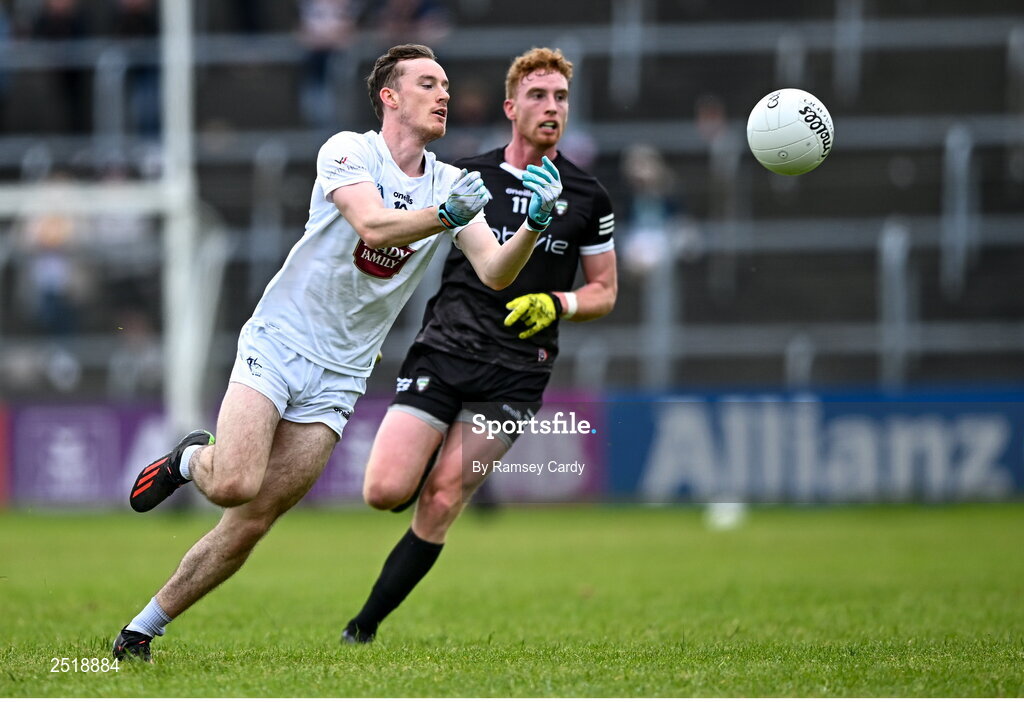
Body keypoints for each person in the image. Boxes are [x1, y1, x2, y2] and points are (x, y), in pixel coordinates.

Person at [111, 43, 563, 663]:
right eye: (428, 83)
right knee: (235, 481)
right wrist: (443, 216)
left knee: (255, 519)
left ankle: (141, 630)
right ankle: (191, 460)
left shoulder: (452, 182)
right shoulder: (348, 151)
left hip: (344, 372)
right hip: (281, 339)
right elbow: (373, 227)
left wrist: (533, 226)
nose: (444, 95)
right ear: (390, 96)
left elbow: (494, 271)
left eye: (447, 85)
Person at [340, 47, 617, 644]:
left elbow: (605, 291)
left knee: (441, 499)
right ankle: (429, 452)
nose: (551, 107)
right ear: (510, 107)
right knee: (384, 491)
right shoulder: (466, 176)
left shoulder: (589, 196)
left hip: (518, 369)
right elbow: (402, 236)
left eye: (561, 98)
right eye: (538, 96)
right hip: (446, 348)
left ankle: (362, 629)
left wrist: (560, 303)